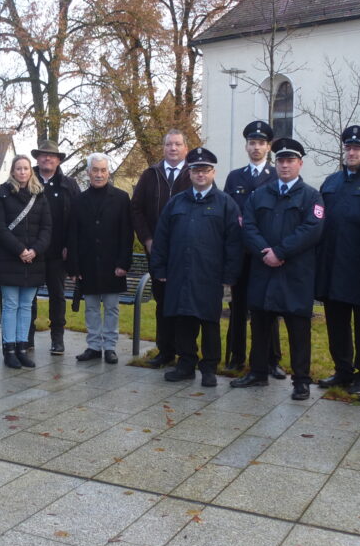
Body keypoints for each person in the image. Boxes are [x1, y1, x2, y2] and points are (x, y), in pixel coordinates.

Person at [234, 138, 325, 399]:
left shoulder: (311, 196)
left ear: (300, 164)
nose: (285, 166)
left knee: (298, 328)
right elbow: (248, 226)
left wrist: (280, 252)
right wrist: (266, 251)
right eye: (281, 161)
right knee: (260, 323)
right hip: (264, 269)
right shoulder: (260, 194)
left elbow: (312, 229)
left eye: (290, 161)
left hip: (295, 272)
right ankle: (258, 372)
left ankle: (301, 380)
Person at [150, 147, 243, 387]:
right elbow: (162, 237)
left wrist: (230, 275)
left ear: (213, 172)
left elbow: (234, 242)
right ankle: (186, 364)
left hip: (209, 275)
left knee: (209, 322)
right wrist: (159, 268)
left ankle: (210, 367)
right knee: (184, 320)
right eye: (196, 170)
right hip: (180, 272)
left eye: (205, 170)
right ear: (189, 173)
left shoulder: (226, 204)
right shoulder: (176, 202)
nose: (200, 174)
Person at [314, 126, 360, 396]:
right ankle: (342, 369)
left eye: (358, 148)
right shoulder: (332, 182)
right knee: (336, 320)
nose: (352, 152)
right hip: (332, 262)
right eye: (348, 148)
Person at [223, 120, 286, 378]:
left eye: (261, 143)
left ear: (268, 147)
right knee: (237, 307)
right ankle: (236, 357)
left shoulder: (275, 176)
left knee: (267, 308)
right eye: (252, 143)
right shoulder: (235, 177)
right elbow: (228, 212)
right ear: (246, 146)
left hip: (265, 253)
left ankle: (272, 360)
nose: (256, 147)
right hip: (241, 253)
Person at [131, 128, 192, 367]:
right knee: (163, 302)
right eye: (169, 144)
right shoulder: (151, 175)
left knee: (184, 303)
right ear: (163, 148)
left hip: (186, 253)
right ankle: (165, 350)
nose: (173, 148)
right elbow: (136, 209)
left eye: (177, 144)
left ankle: (186, 353)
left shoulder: (195, 173)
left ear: (185, 148)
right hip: (157, 252)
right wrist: (147, 239)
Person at [66, 153, 132, 364]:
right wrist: (73, 267)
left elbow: (127, 233)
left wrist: (124, 263)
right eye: (95, 170)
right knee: (92, 307)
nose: (99, 174)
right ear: (88, 173)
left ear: (108, 172)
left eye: (103, 170)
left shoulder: (121, 198)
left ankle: (110, 347)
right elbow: (72, 235)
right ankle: (94, 346)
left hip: (112, 264)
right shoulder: (78, 201)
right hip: (87, 264)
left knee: (111, 307)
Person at [0, 155, 51, 368]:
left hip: (33, 260)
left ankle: (22, 348)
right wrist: (20, 250)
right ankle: (9, 351)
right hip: (9, 258)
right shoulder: (2, 194)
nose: (23, 172)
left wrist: (34, 250)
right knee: (10, 305)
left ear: (30, 171)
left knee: (26, 305)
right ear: (13, 171)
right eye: (19, 168)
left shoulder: (39, 195)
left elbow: (46, 228)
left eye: (26, 168)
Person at [28, 140, 80, 354]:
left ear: (59, 160)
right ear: (37, 158)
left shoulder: (69, 185)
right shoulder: (24, 179)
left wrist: (70, 245)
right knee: (28, 295)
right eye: (42, 155)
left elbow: (77, 219)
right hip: (30, 251)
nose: (47, 158)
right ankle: (26, 336)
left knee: (57, 296)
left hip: (58, 251)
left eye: (51, 156)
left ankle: (57, 338)